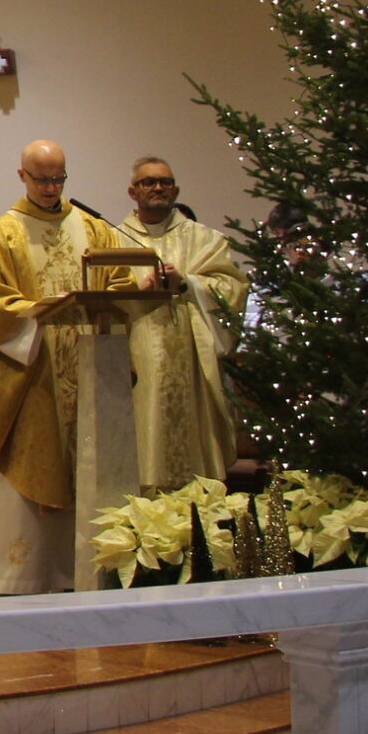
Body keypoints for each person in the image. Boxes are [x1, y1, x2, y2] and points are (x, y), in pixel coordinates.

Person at [0, 140, 146, 594]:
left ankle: (86, 573)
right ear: (22, 176)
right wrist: (42, 311)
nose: (50, 187)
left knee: (91, 471)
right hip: (31, 376)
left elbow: (119, 285)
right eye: (41, 179)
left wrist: (134, 292)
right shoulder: (2, 234)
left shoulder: (94, 229)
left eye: (58, 178)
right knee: (28, 474)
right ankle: (25, 577)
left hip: (90, 370)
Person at [113, 156, 245, 488]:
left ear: (176, 190)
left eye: (165, 182)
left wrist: (187, 283)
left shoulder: (204, 239)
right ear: (132, 192)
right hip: (135, 361)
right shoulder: (110, 240)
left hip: (191, 363)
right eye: (148, 182)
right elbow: (99, 297)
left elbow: (232, 289)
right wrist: (138, 292)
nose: (158, 187)